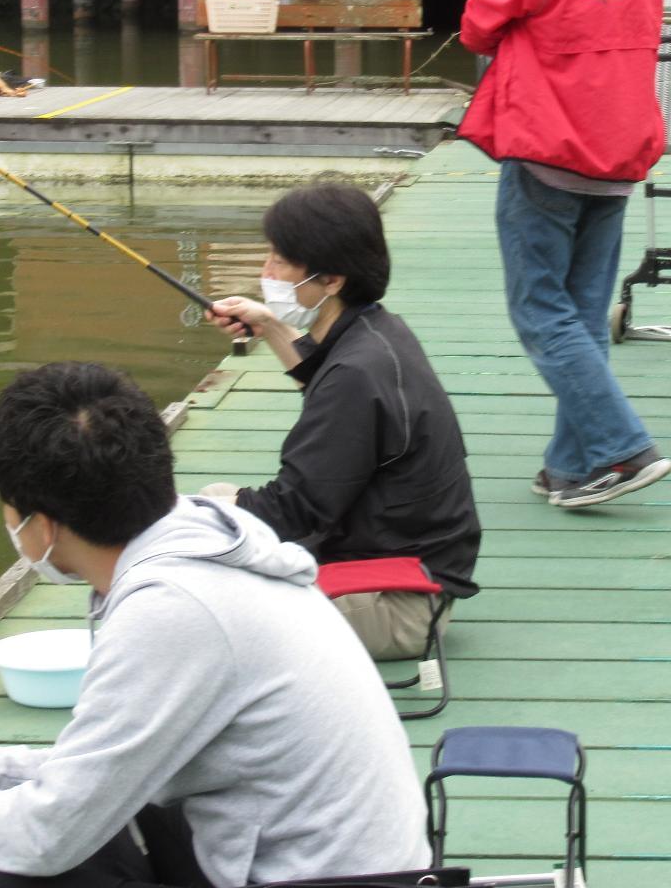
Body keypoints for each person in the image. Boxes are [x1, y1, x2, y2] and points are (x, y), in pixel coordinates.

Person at [0, 361, 430, 888]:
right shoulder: (198, 541)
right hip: (326, 868)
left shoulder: (175, 610)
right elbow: (89, 777)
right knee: (38, 856)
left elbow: (46, 835)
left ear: (41, 524)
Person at [456, 0, 671, 510]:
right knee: (580, 313)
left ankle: (621, 445)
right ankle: (571, 467)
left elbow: (478, 25)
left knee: (538, 310)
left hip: (549, 149)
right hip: (618, 151)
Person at [202, 183, 480, 659]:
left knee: (202, 596)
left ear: (332, 279)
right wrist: (268, 324)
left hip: (397, 603)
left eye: (279, 262)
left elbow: (294, 511)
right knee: (214, 508)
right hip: (403, 566)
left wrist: (193, 513)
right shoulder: (376, 332)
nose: (264, 272)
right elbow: (320, 377)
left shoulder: (356, 373)